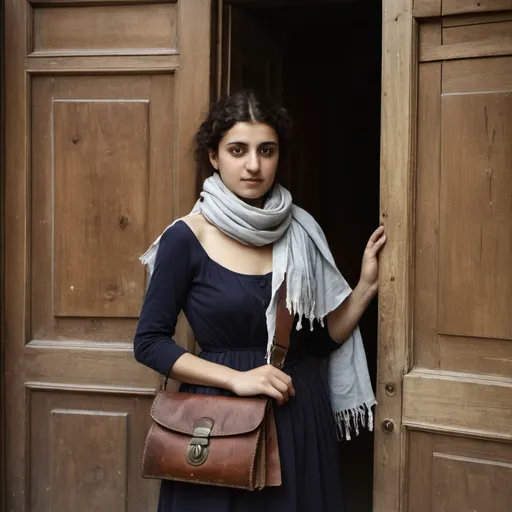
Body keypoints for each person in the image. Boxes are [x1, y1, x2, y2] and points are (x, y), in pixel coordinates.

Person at [134, 90, 386, 512]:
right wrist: (237, 379)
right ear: (214, 157)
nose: (254, 164)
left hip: (295, 414)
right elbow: (150, 342)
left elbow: (320, 341)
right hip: (218, 422)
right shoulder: (187, 237)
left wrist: (363, 289)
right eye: (238, 150)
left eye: (266, 150)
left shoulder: (301, 231)